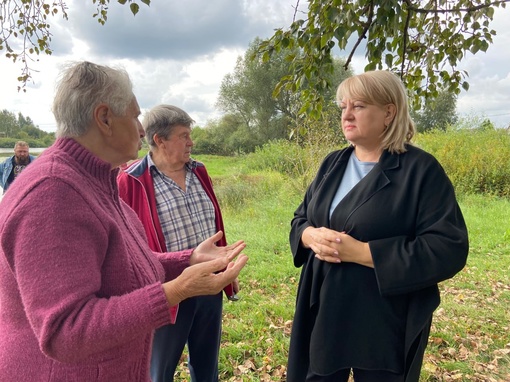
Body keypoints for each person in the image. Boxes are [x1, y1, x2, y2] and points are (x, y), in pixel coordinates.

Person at [0, 61, 248, 382]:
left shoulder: (94, 178)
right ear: (104, 118)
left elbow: (121, 266)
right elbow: (66, 330)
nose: (142, 130)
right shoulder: (53, 192)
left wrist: (187, 259)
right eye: (134, 116)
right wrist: (174, 291)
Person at [287, 70, 468, 382]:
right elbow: (301, 217)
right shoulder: (333, 163)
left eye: (358, 106)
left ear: (389, 112)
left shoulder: (420, 171)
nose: (347, 115)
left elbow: (447, 247)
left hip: (384, 319)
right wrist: (308, 235)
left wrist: (363, 252)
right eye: (343, 107)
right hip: (325, 307)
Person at [118, 104, 236, 382]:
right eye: (184, 135)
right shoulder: (130, 180)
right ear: (159, 140)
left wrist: (225, 268)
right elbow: (125, 245)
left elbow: (214, 223)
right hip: (168, 291)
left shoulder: (200, 171)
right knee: (160, 370)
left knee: (207, 366)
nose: (191, 142)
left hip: (209, 284)